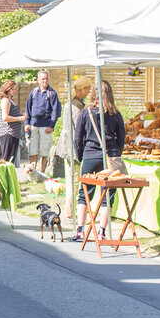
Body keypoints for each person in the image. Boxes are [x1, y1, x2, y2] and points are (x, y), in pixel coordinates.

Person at [73, 80, 125, 242]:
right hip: (110, 156)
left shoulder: (86, 113)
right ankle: (102, 231)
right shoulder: (115, 113)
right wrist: (116, 153)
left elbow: (77, 138)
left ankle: (80, 230)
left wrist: (82, 156)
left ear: (93, 93)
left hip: (90, 155)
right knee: (108, 196)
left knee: (84, 194)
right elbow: (121, 138)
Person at [53, 75, 93, 229]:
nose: (89, 92)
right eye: (87, 89)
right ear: (82, 89)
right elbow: (78, 130)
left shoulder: (72, 104)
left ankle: (70, 212)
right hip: (72, 148)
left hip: (68, 145)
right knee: (74, 181)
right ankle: (69, 213)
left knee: (72, 180)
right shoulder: (76, 106)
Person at [24, 70, 61, 180]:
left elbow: (55, 111)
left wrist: (52, 125)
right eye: (43, 79)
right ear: (38, 80)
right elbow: (28, 108)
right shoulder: (33, 92)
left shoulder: (52, 93)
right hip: (34, 124)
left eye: (46, 79)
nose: (45, 81)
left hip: (46, 125)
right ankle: (32, 175)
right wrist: (27, 123)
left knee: (44, 151)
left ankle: (42, 174)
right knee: (33, 150)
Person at [0, 80, 24, 164]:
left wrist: (21, 115)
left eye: (15, 89)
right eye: (13, 89)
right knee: (7, 159)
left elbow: (11, 113)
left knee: (10, 160)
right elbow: (5, 117)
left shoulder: (10, 100)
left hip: (13, 133)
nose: (15, 91)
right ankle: (3, 176)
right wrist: (19, 118)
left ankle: (8, 176)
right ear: (7, 89)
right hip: (7, 133)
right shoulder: (5, 101)